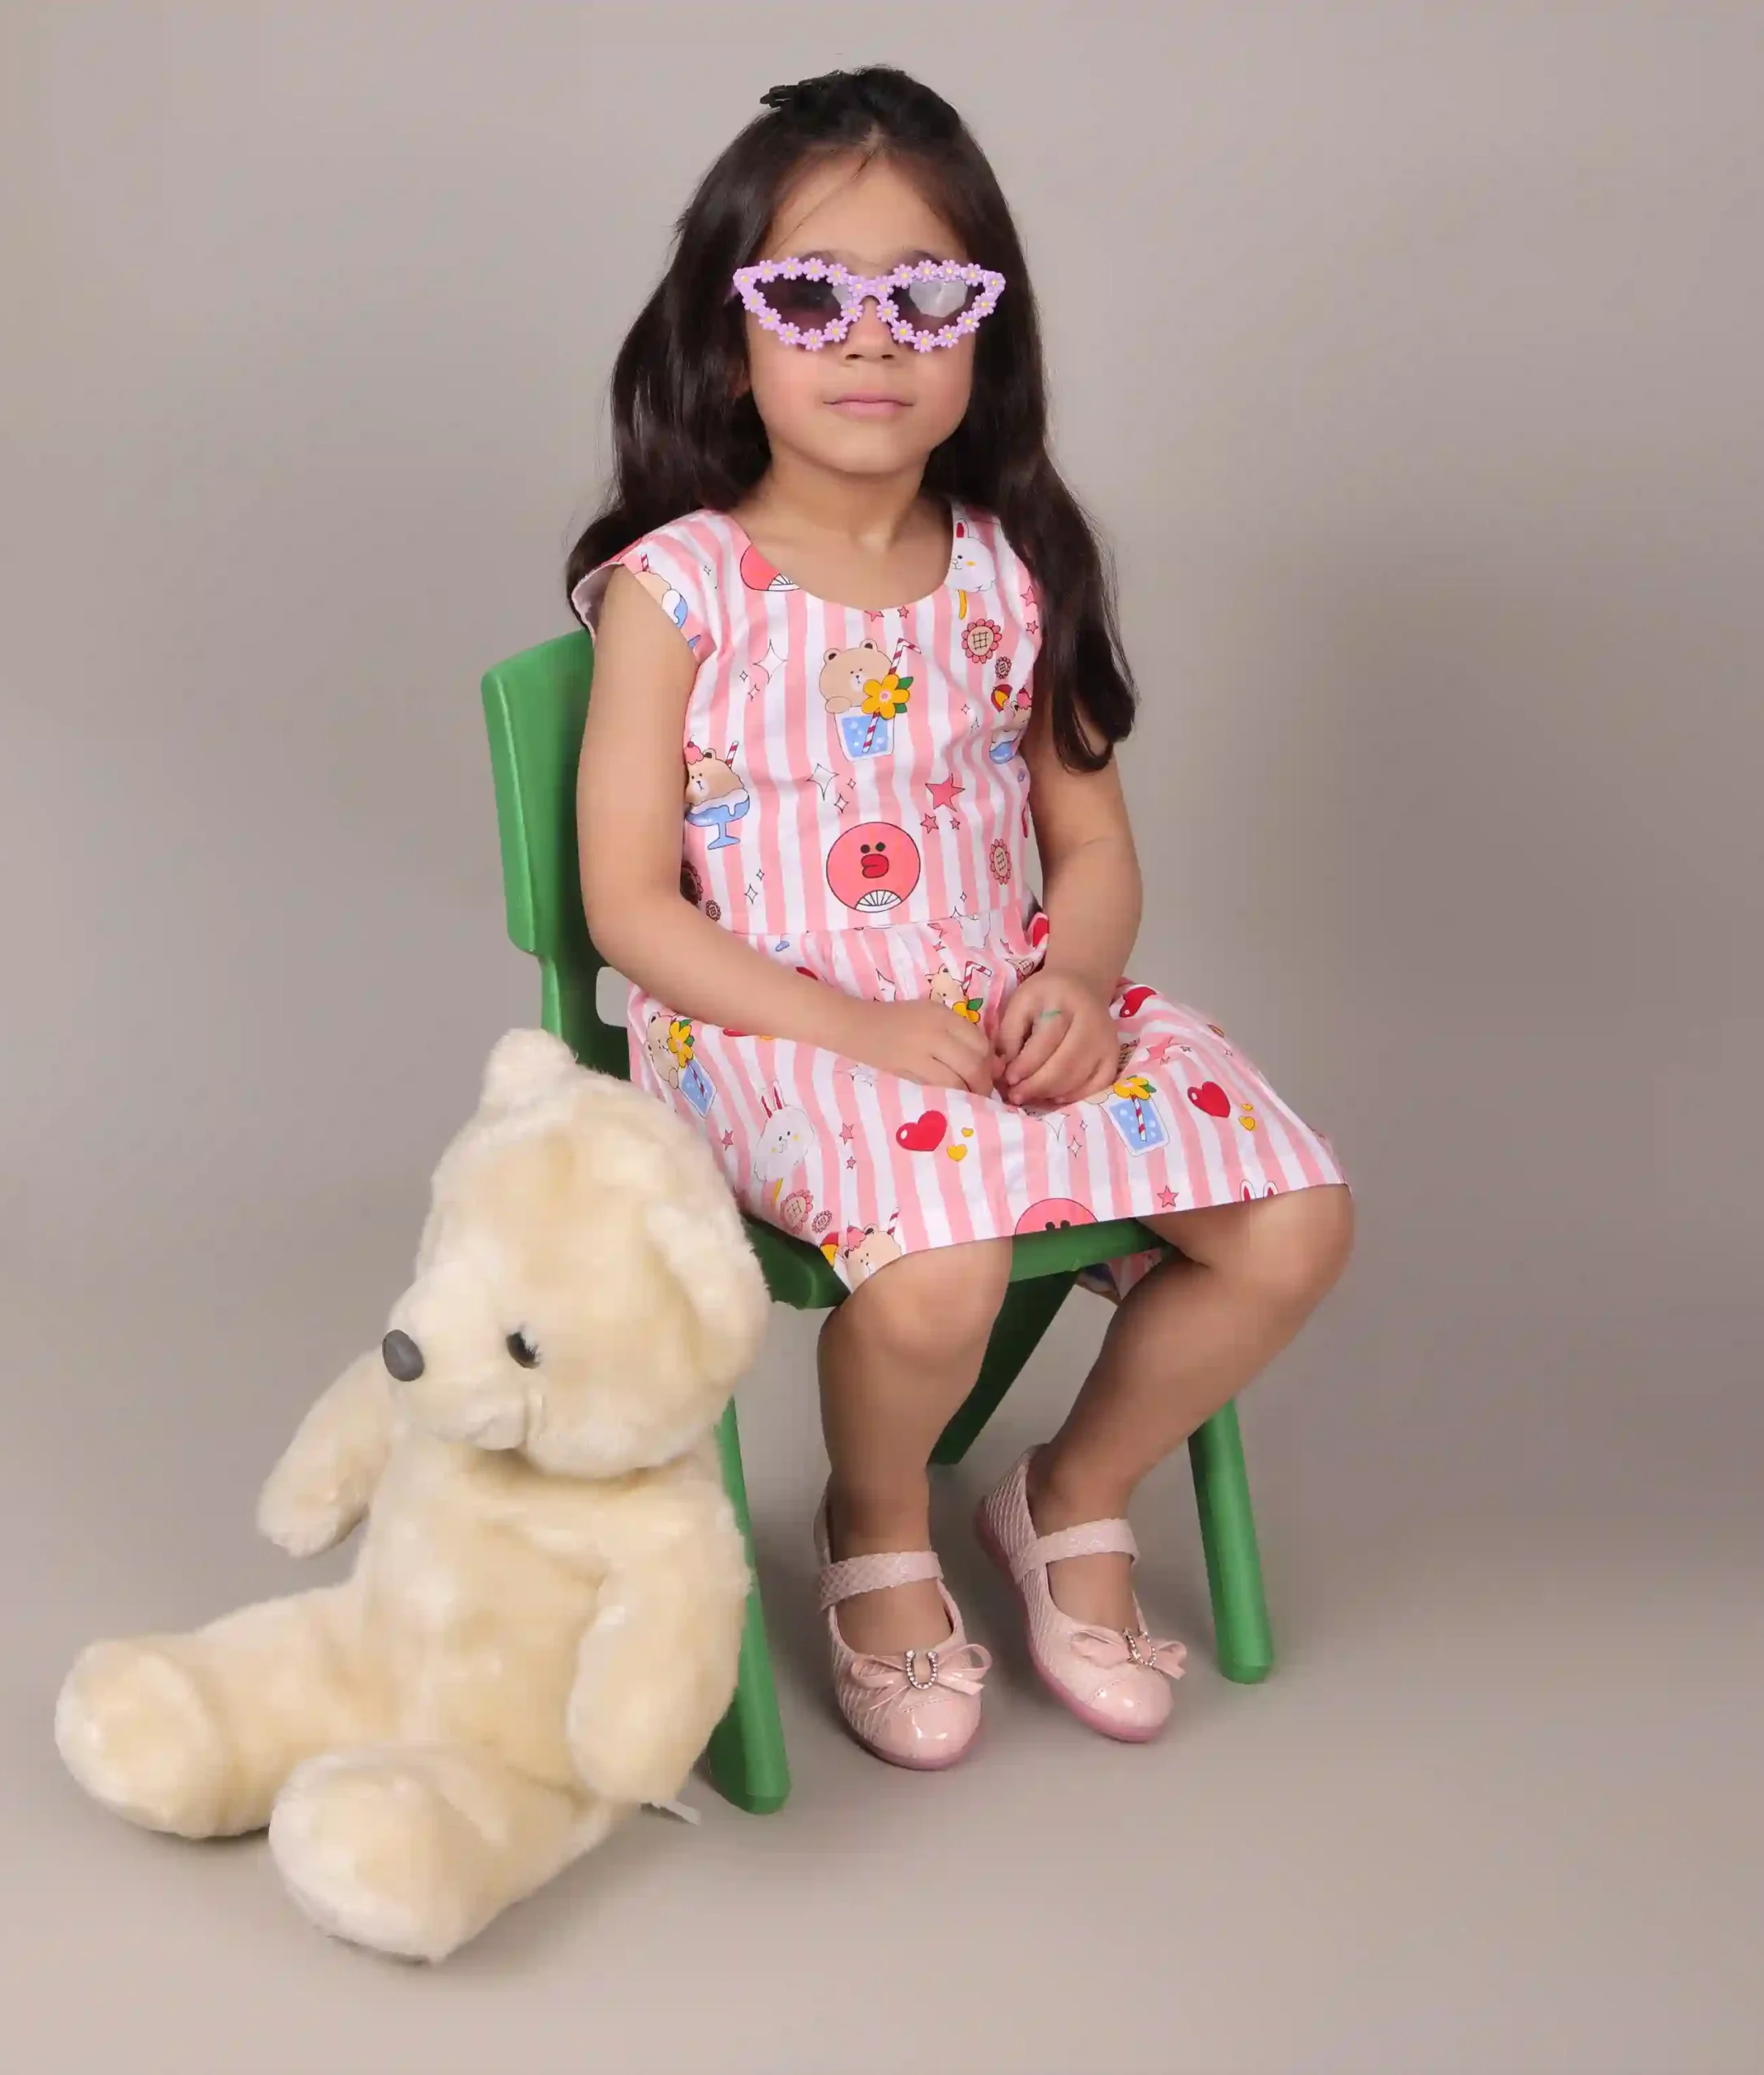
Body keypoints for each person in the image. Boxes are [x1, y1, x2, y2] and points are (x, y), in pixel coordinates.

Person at [569, 66, 1353, 1771]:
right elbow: (625, 906)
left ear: (984, 334)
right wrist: (849, 1024)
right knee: (940, 1265)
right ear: (729, 339)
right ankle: (876, 1528)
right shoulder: (675, 590)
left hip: (998, 1008)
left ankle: (1070, 1491)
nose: (872, 338)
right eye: (810, 295)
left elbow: (1093, 846)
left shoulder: (1016, 571)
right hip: (768, 1027)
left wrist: (1077, 975)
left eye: (926, 294)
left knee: (1292, 1219)